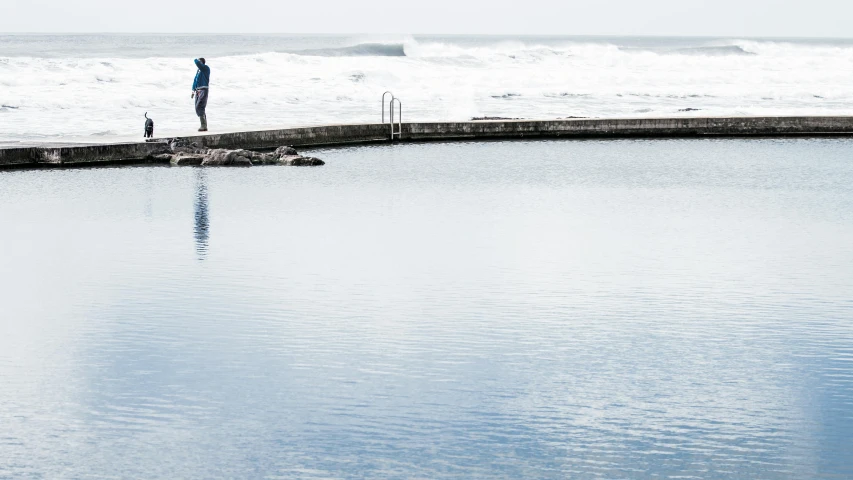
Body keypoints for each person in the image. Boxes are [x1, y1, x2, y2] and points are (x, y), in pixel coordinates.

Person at [191, 58, 210, 132]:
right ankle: (204, 125)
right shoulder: (198, 71)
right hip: (198, 90)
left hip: (203, 89)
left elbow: (197, 63)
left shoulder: (205, 68)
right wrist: (193, 90)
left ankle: (203, 125)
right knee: (197, 107)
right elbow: (195, 80)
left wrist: (196, 59)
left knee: (200, 106)